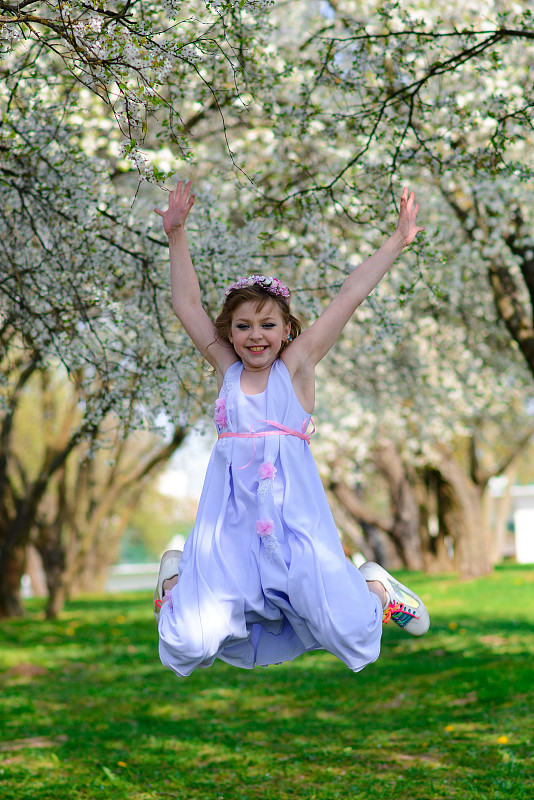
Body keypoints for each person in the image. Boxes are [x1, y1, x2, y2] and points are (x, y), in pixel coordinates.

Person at [153, 180, 429, 678]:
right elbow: (186, 305)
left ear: (286, 330)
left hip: (297, 527)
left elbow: (350, 294)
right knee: (188, 643)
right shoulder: (227, 370)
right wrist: (176, 234)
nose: (255, 336)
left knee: (349, 631)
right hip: (230, 529)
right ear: (229, 333)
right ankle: (176, 578)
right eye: (242, 326)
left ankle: (376, 588)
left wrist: (397, 241)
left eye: (266, 325)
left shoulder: (296, 366)